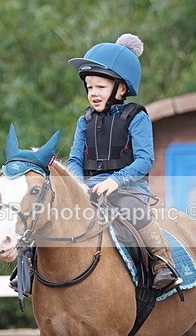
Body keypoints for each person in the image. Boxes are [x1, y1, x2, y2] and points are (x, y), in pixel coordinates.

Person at [67, 33, 182, 292]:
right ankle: (28, 267)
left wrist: (115, 180)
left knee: (132, 209)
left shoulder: (136, 117)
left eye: (100, 87)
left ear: (120, 89)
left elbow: (145, 160)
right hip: (89, 188)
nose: (93, 93)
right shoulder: (84, 121)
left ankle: (162, 262)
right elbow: (74, 159)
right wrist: (77, 183)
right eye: (89, 87)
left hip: (127, 189)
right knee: (52, 208)